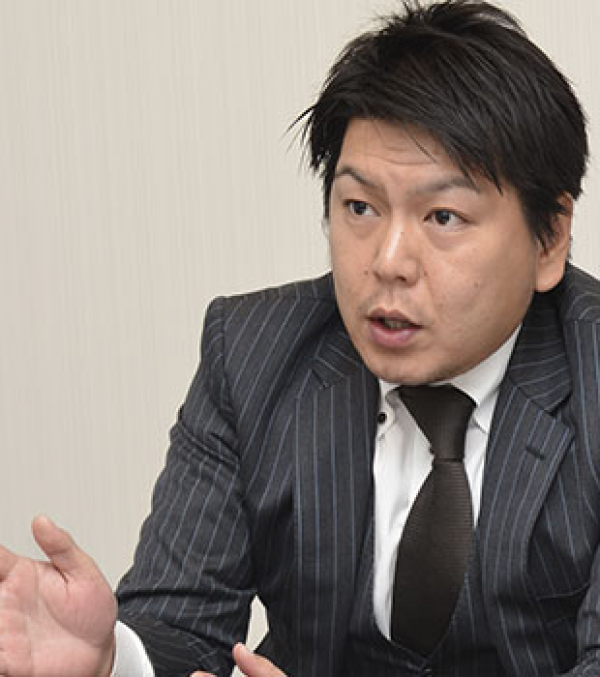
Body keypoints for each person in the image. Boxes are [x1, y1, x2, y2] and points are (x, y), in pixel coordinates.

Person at [0, 0, 596, 674]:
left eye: (444, 216)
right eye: (360, 207)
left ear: (550, 239)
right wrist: (113, 656)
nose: (389, 261)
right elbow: (182, 623)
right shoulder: (253, 353)